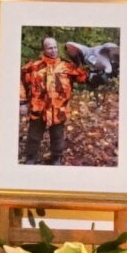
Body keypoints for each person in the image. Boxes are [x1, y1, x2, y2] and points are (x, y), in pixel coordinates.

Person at [19, 36, 77, 165]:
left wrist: (98, 74)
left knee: (57, 136)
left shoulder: (67, 67)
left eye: (55, 47)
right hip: (38, 108)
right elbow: (20, 81)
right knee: (34, 136)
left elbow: (84, 76)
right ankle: (31, 158)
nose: (53, 50)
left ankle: (56, 158)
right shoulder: (33, 67)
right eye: (50, 47)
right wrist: (22, 102)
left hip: (59, 109)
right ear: (44, 49)